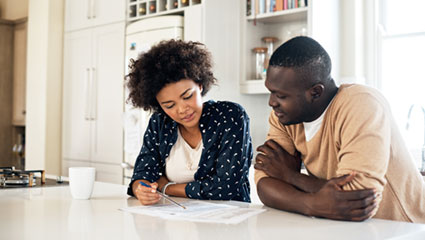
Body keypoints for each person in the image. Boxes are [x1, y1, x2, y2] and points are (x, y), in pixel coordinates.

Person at [254, 36, 425, 223]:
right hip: (348, 229)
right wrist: (310, 204)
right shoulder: (284, 116)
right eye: (271, 92)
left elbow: (357, 197)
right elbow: (265, 183)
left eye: (280, 96)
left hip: (405, 228)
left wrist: (291, 176)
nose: (272, 103)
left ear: (315, 92)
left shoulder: (361, 104)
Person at [126, 39, 253, 205]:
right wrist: (141, 190)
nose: (181, 109)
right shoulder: (159, 123)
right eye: (169, 105)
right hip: (171, 221)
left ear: (200, 85)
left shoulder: (230, 117)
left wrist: (166, 187)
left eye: (187, 96)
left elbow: (225, 188)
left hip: (226, 223)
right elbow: (142, 175)